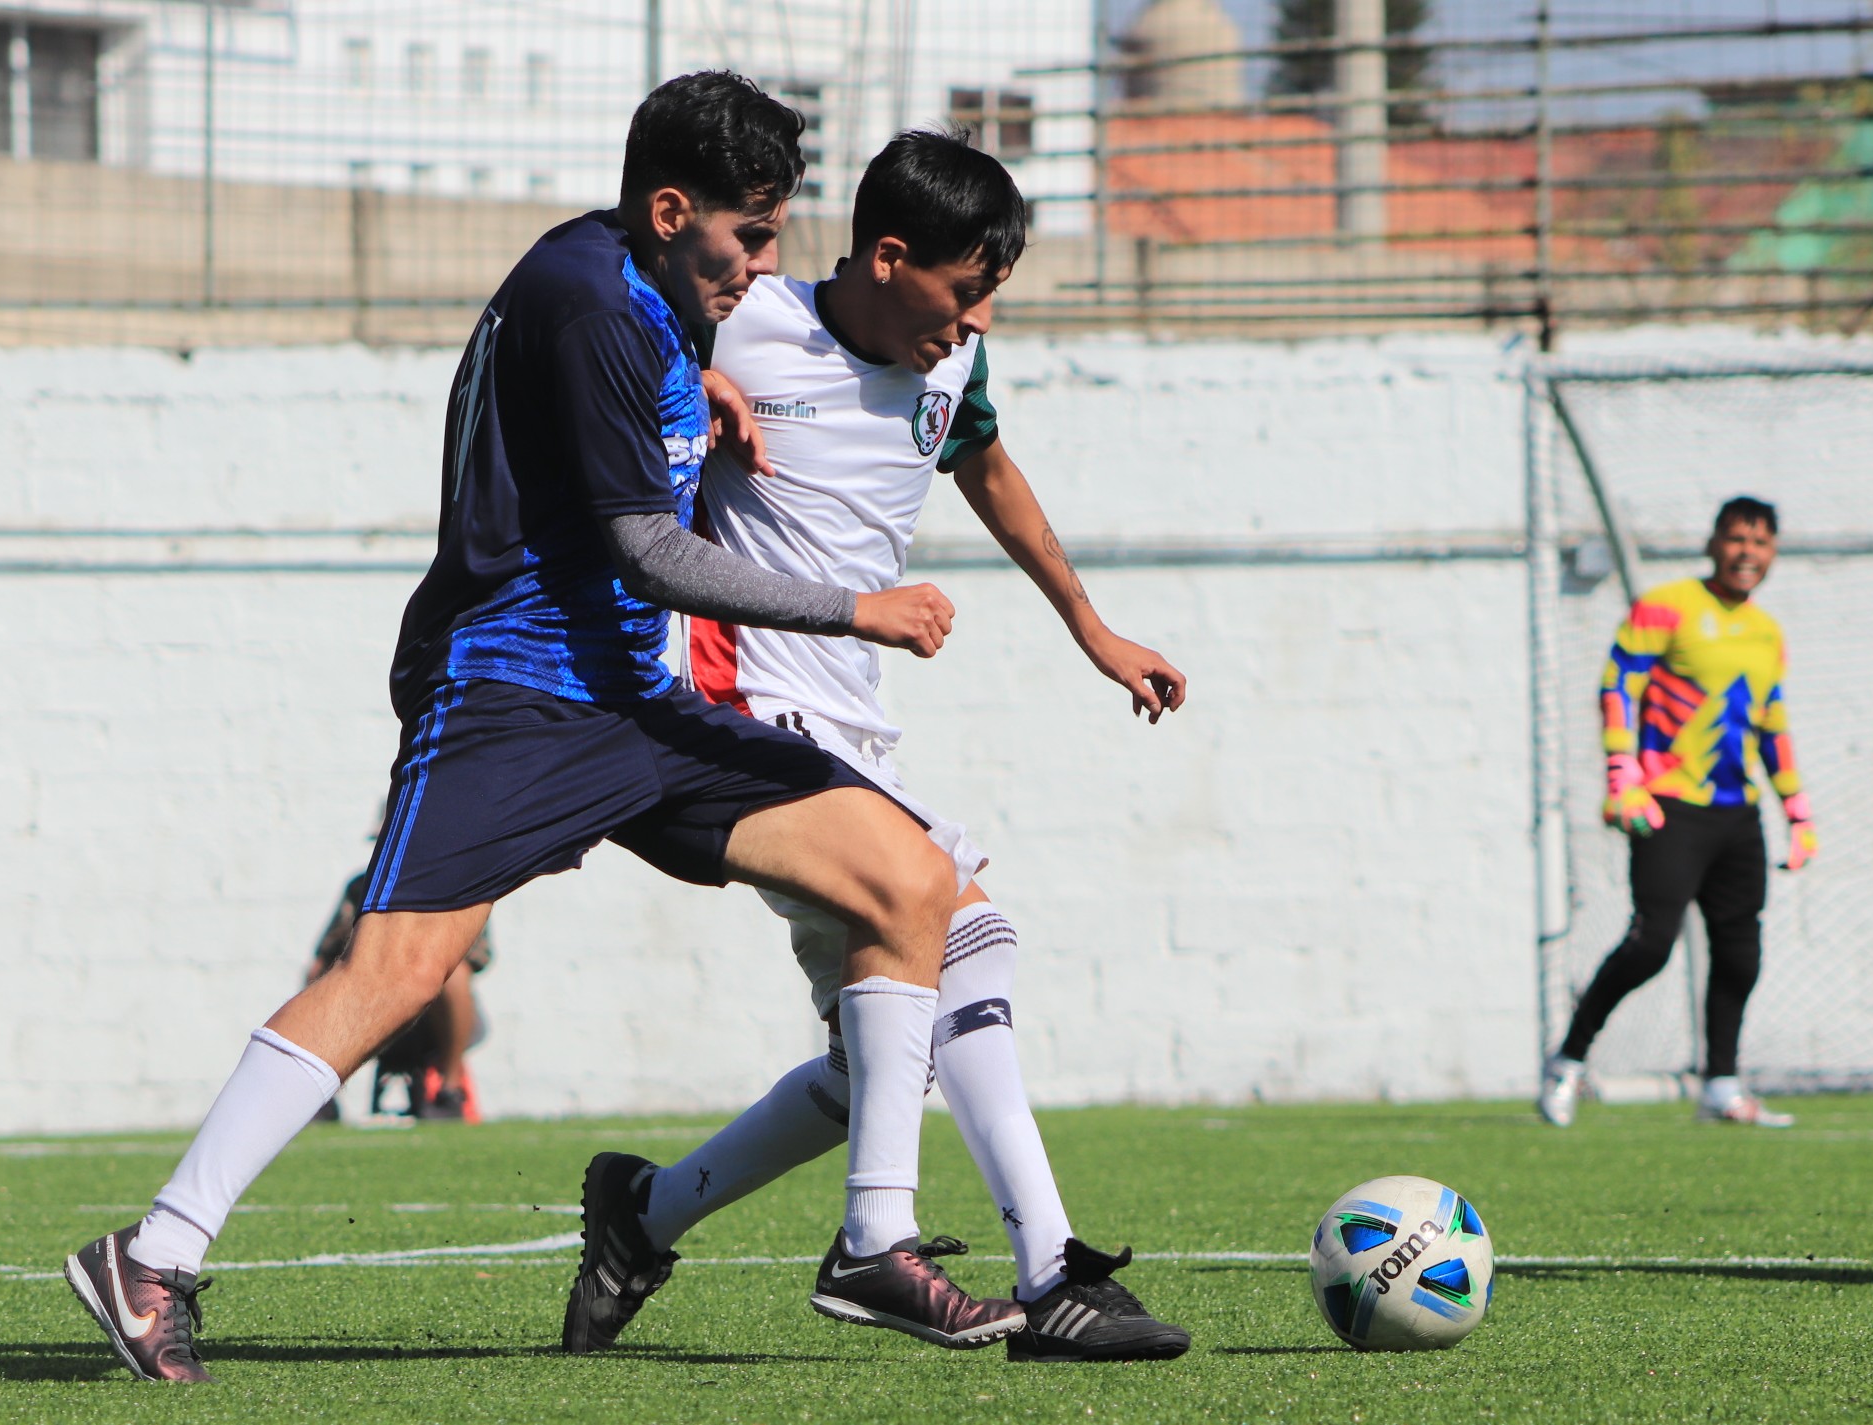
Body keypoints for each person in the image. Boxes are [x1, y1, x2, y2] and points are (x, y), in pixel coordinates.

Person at [64, 72, 1024, 1385]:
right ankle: (156, 1251)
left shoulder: (630, 276)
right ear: (672, 208)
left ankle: (871, 1240)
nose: (760, 269)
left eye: (773, 240)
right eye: (748, 240)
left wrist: (703, 387)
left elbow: (645, 394)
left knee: (913, 883)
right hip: (514, 694)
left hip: (640, 705)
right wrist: (853, 608)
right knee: (397, 970)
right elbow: (649, 554)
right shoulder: (589, 306)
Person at [562, 130, 1191, 1363]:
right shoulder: (741, 323)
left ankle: (644, 1214)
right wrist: (700, 390)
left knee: (878, 1060)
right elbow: (618, 350)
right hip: (740, 711)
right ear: (890, 258)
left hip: (855, 725)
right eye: (965, 291)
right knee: (964, 928)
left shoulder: (954, 363)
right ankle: (1045, 1268)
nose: (975, 320)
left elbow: (987, 463)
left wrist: (1091, 627)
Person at [1539, 496, 1818, 1131]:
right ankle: (1568, 1061)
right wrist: (1621, 777)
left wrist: (1798, 813)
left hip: (1736, 812)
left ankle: (1721, 1085)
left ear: (1772, 553)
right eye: (1738, 538)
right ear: (1714, 541)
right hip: (1667, 806)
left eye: (1761, 542)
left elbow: (1771, 723)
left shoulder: (1768, 632)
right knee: (1651, 945)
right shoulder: (1665, 606)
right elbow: (1618, 687)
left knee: (1741, 953)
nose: (1749, 551)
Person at [306, 867, 491, 1121]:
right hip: (375, 1004)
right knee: (321, 974)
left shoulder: (462, 884)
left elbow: (479, 955)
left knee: (456, 974)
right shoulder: (361, 887)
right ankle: (319, 1092)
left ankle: (450, 1092)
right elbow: (328, 950)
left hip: (435, 1015)